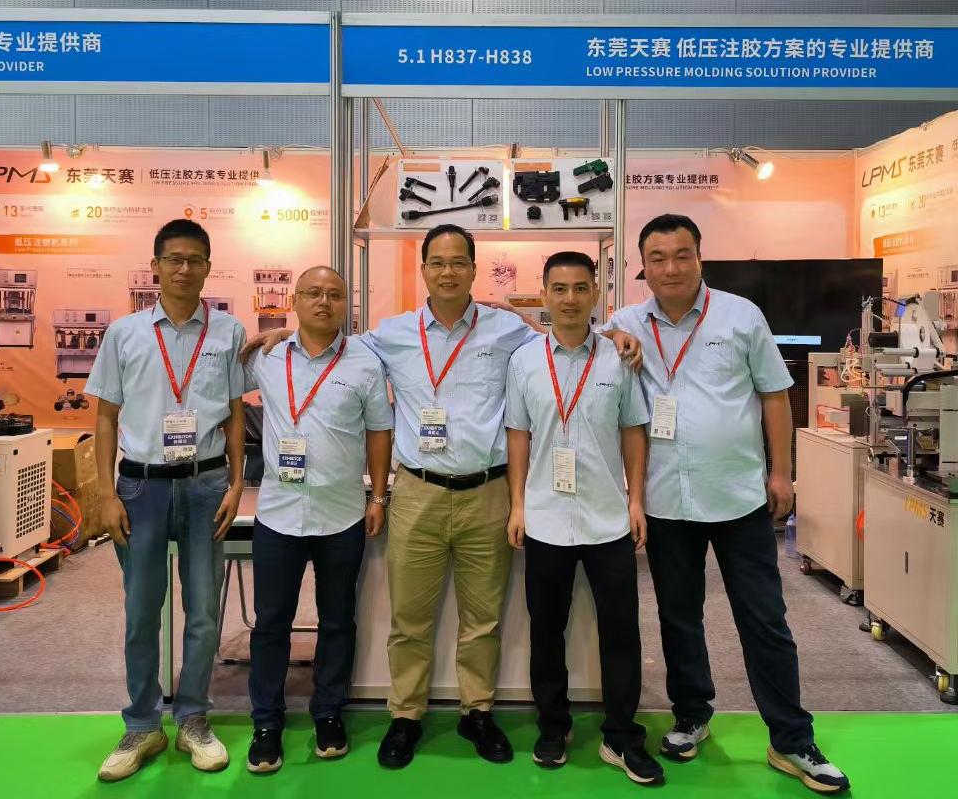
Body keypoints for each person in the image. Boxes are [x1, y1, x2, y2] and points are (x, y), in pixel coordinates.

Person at [244, 224, 641, 769]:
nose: (448, 271)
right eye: (437, 262)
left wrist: (616, 333)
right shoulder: (391, 335)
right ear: (424, 269)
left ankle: (477, 711)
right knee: (410, 618)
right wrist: (289, 330)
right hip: (418, 492)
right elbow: (330, 342)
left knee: (483, 618)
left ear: (474, 270)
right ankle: (406, 715)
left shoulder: (509, 331)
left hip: (488, 492)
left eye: (458, 262)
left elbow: (568, 335)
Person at [601, 214, 850, 794]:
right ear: (643, 267)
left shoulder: (741, 316)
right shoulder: (627, 322)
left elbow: (774, 395)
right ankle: (692, 715)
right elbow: (577, 335)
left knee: (764, 619)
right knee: (678, 617)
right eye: (658, 258)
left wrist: (782, 473)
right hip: (666, 500)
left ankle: (791, 739)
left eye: (681, 255)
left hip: (739, 497)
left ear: (699, 257)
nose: (670, 268)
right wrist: (611, 338)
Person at [86, 219, 246, 781]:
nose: (184, 268)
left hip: (206, 486)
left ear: (208, 267)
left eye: (195, 259)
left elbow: (235, 415)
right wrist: (106, 493)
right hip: (141, 487)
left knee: (203, 610)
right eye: (174, 259)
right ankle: (142, 725)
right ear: (155, 266)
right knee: (141, 610)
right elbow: (105, 417)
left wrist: (235, 484)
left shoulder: (228, 332)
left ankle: (194, 719)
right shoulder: (124, 333)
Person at [505, 251, 663, 785]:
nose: (569, 299)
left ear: (596, 293)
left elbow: (633, 431)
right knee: (546, 631)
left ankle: (621, 736)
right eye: (559, 289)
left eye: (579, 288)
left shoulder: (620, 357)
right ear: (544, 294)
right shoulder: (525, 361)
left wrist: (636, 500)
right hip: (545, 518)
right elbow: (518, 436)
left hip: (607, 519)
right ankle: (553, 727)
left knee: (621, 632)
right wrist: (518, 504)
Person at [242, 267, 393, 774]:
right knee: (271, 623)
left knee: (336, 621)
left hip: (341, 513)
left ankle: (328, 713)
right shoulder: (266, 357)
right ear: (294, 300)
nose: (323, 302)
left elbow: (378, 432)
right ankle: (267, 722)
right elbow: (218, 391)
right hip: (278, 515)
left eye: (334, 294)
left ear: (347, 303)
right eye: (312, 293)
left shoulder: (365, 362)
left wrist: (377, 497)